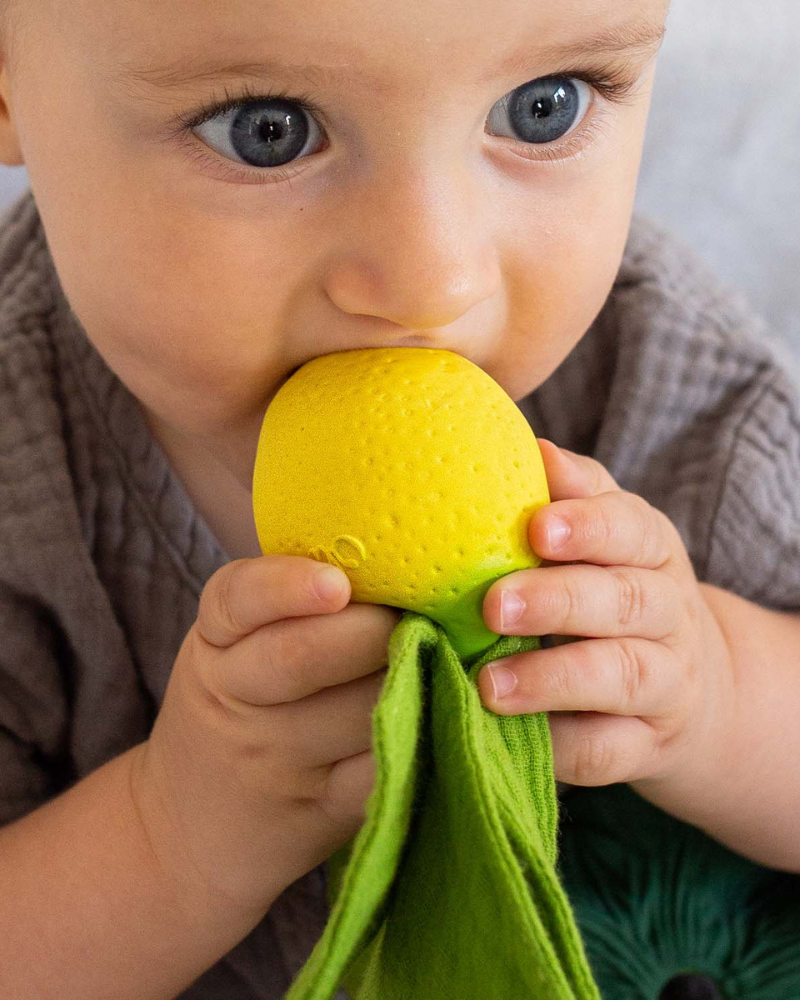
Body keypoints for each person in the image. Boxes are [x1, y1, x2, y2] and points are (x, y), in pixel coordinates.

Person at [0, 0, 798, 995]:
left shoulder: (666, 388)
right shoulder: (24, 477)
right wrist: (170, 839)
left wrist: (726, 694)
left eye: (541, 108)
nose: (433, 278)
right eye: (267, 128)